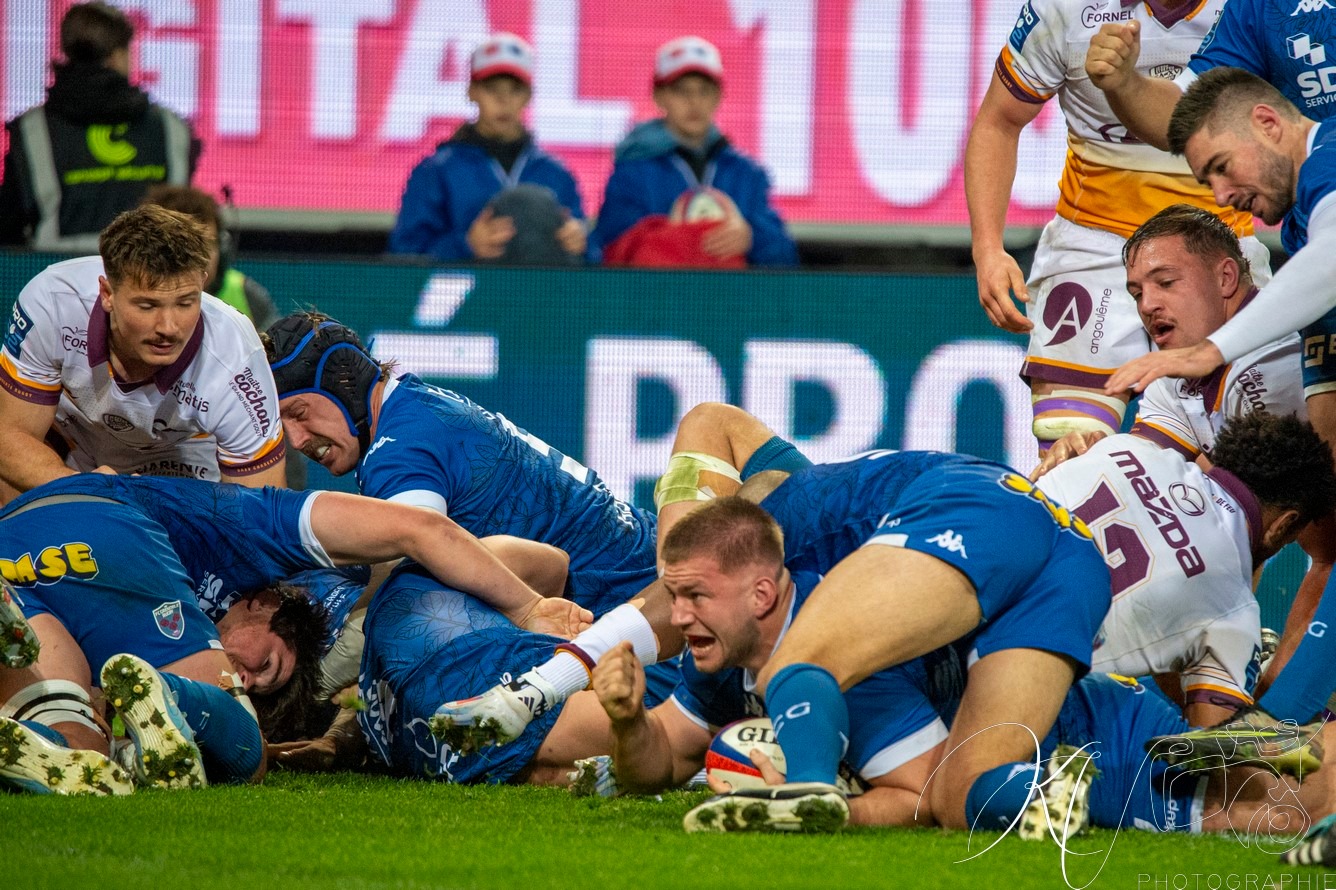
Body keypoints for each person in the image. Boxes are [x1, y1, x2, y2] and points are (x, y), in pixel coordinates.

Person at [591, 496, 1336, 838]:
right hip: (1067, 726)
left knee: (1267, 802)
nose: (675, 616)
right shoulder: (723, 654)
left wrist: (810, 806)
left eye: (692, 596)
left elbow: (918, 797)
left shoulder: (855, 665)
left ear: (761, 595)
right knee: (1261, 808)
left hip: (1088, 743)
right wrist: (628, 723)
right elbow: (658, 762)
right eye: (673, 596)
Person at [964, 0, 1266, 457]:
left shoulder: (1262, 9)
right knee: (1066, 450)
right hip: (1094, 243)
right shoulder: (1063, 7)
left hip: (1217, 244)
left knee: (1250, 465)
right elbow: (999, 121)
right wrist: (987, 250)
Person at [1037, 414, 1336, 730]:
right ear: (1284, 524)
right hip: (1018, 685)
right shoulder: (1233, 615)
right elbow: (1215, 757)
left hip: (985, 585)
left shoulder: (1122, 445)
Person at [0, 205, 288, 499]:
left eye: (185, 303)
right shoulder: (52, 302)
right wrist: (84, 490)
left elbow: (263, 515)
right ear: (107, 294)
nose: (168, 327)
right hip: (75, 439)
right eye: (148, 306)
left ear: (202, 283)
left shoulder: (236, 356)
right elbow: (10, 437)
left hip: (178, 461)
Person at [0, 2, 198, 251]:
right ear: (117, 57)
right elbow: (189, 220)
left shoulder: (31, 129)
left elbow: (8, 227)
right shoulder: (171, 128)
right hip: (149, 283)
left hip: (56, 280)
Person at [590, 36, 797, 268]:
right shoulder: (633, 173)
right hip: (658, 298)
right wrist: (678, 238)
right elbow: (609, 251)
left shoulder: (747, 173)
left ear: (718, 96)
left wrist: (751, 238)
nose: (694, 102)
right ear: (659, 96)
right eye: (681, 91)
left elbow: (784, 258)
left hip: (731, 298)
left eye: (704, 91)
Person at [387, 33, 589, 265]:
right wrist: (465, 245)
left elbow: (591, 255)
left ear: (528, 95)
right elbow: (403, 256)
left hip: (539, 298)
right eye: (492, 89)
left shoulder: (556, 174)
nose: (504, 101)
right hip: (464, 297)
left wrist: (579, 243)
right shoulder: (435, 172)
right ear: (472, 92)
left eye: (514, 89)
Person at [141, 186, 278, 333]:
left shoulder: (248, 296)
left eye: (208, 244)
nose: (201, 258)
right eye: (188, 247)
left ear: (222, 247)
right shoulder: (129, 291)